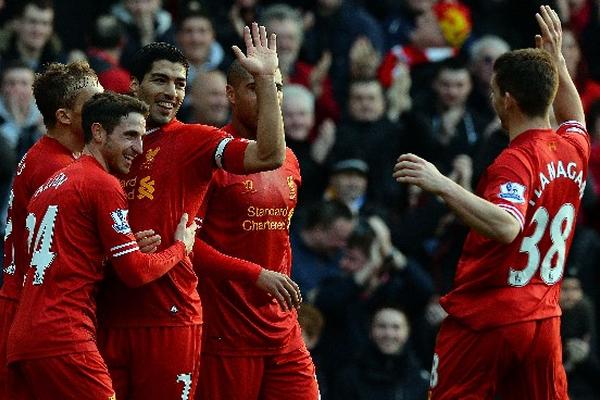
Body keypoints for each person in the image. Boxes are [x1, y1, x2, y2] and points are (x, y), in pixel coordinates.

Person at [393, 6, 590, 399]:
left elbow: (506, 225)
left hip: (489, 319)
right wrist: (558, 63)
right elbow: (575, 115)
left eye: (495, 91)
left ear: (508, 99)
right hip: (544, 319)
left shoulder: (515, 159)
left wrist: (442, 184)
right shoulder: (574, 148)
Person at [97, 23, 293, 400]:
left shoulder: (195, 141)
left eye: (180, 83)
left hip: (168, 317)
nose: (171, 92)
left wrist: (266, 79)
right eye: (160, 80)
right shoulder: (105, 147)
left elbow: (269, 154)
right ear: (134, 85)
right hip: (109, 314)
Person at [6, 92, 197, 399]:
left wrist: (119, 249)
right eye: (130, 136)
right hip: (65, 335)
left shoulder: (54, 183)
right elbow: (134, 272)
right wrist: (179, 247)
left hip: (26, 339)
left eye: (142, 136)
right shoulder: (102, 184)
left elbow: (66, 255)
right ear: (97, 132)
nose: (139, 148)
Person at [194, 61, 318, 400]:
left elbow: (278, 238)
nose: (268, 96)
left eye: (275, 87)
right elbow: (187, 246)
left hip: (282, 328)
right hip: (228, 332)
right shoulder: (208, 154)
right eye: (256, 87)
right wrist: (255, 274)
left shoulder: (289, 159)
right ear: (231, 94)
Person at [0, 60, 103, 397]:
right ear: (64, 116)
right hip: (42, 314)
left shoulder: (49, 157)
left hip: (23, 306)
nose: (104, 111)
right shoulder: (57, 170)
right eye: (94, 103)